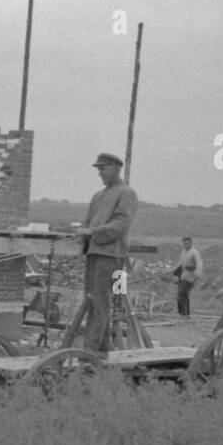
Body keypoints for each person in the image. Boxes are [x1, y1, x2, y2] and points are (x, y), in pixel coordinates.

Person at [76, 153, 138, 357]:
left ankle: (90, 349)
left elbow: (121, 224)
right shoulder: (98, 196)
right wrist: (82, 235)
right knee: (91, 299)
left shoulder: (126, 193)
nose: (100, 173)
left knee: (100, 302)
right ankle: (101, 348)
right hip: (94, 252)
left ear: (116, 168)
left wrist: (92, 233)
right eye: (98, 169)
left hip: (111, 254)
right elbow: (88, 222)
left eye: (103, 169)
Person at [171, 236, 203, 317]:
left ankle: (185, 313)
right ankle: (181, 313)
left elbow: (199, 264)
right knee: (180, 295)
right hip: (183, 275)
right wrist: (175, 272)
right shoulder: (184, 252)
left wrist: (197, 274)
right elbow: (181, 264)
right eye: (184, 243)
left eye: (187, 243)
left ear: (191, 243)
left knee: (183, 293)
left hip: (190, 276)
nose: (185, 244)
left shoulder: (194, 252)